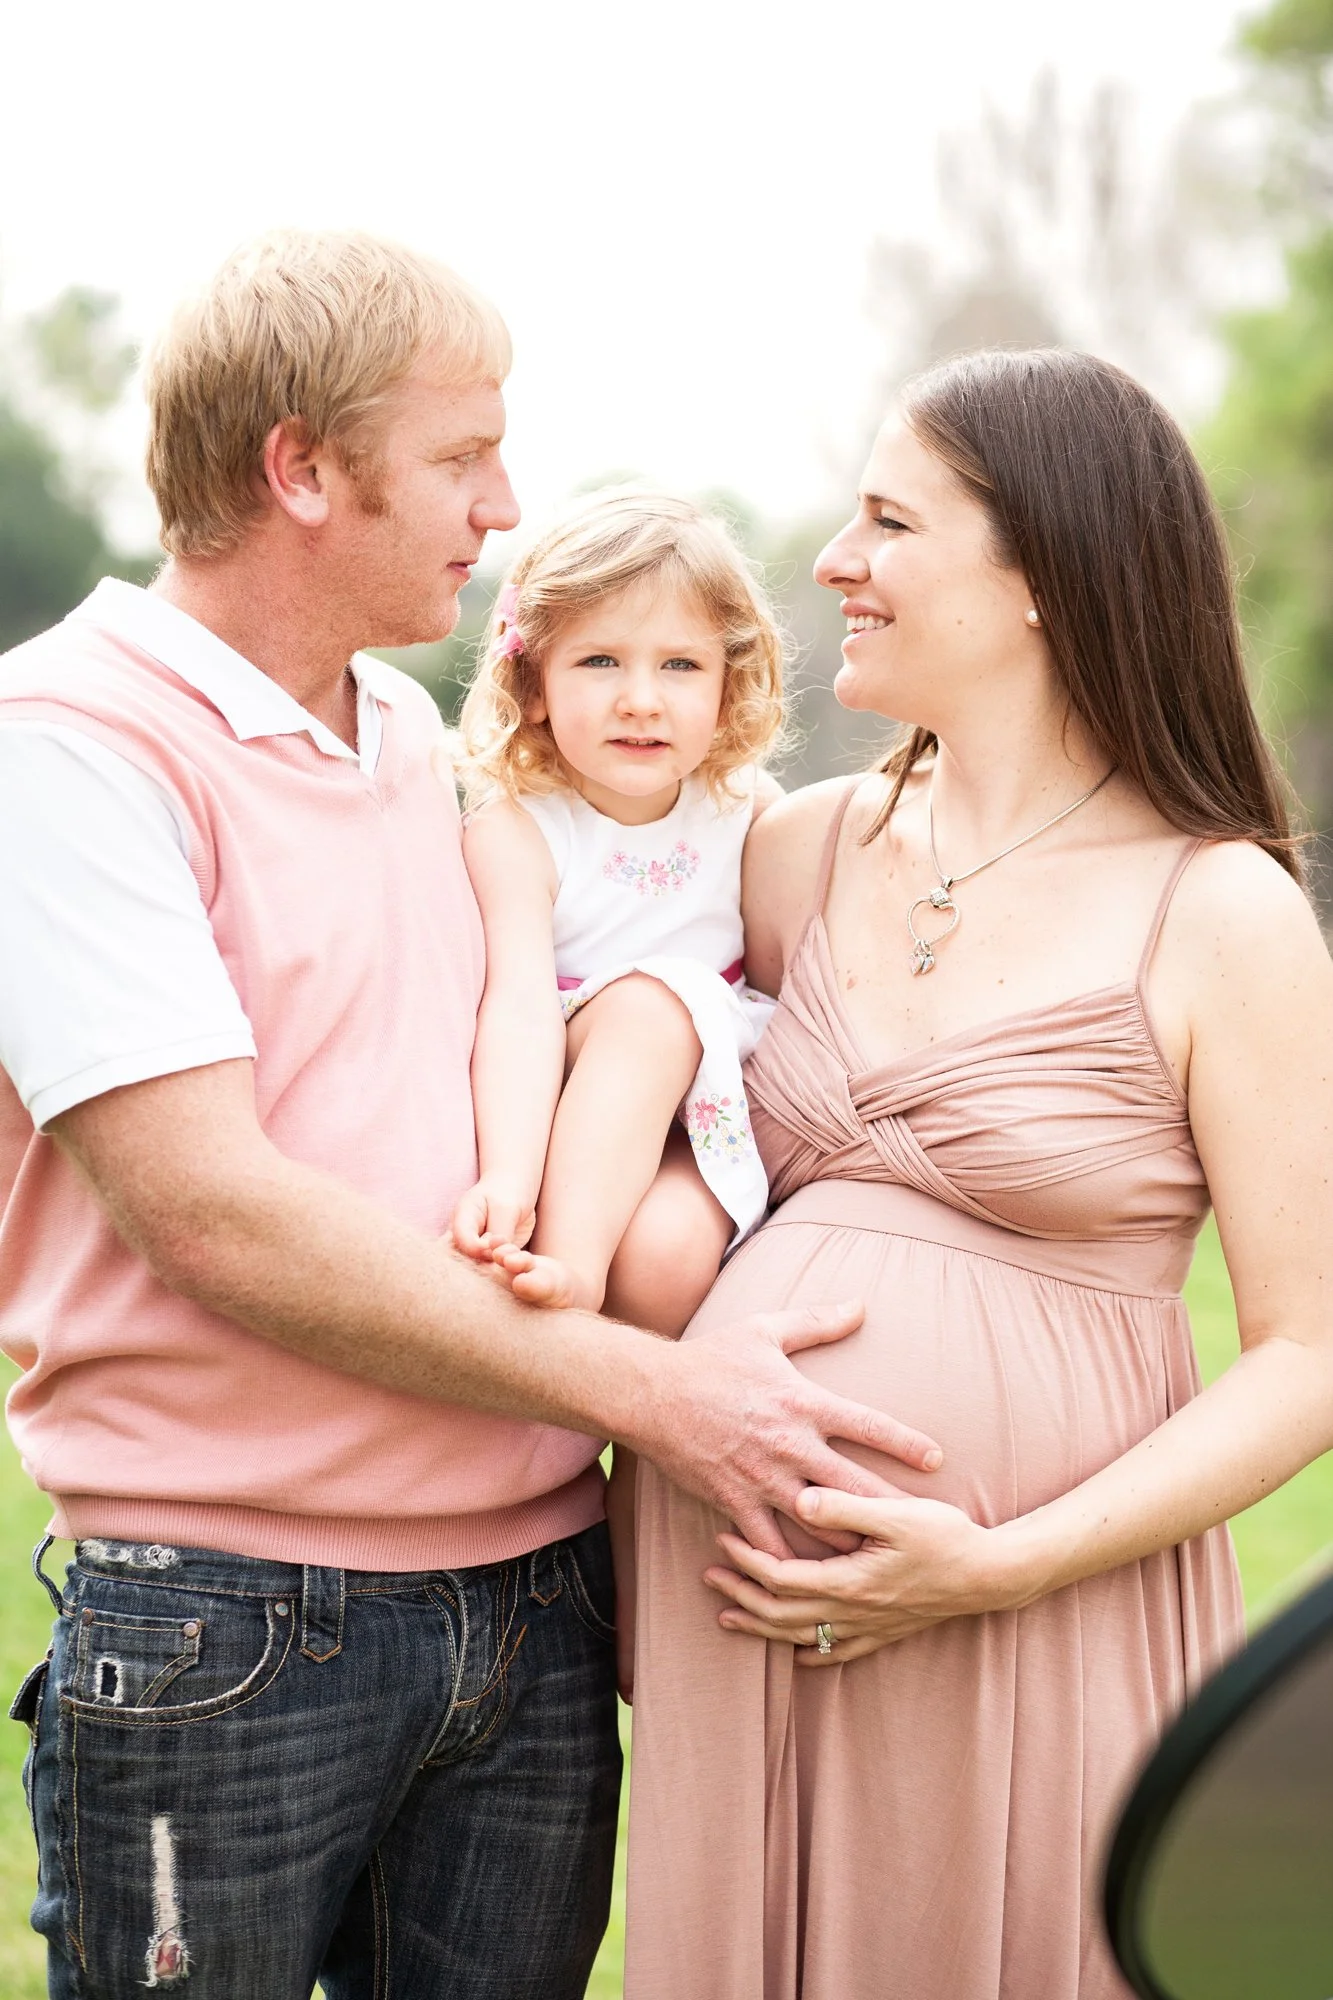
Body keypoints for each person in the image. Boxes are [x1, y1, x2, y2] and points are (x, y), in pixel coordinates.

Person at [0, 229, 943, 2000]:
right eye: (458, 459)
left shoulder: (405, 736)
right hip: (230, 1619)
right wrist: (667, 1397)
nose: (501, 507)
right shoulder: (65, 744)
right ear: (298, 468)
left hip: (530, 1599)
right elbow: (212, 1212)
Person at [625, 347, 1333, 2000]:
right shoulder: (793, 853)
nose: (830, 563)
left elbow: (1307, 1357)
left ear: (1038, 578)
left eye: (886, 521)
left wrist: (994, 1562)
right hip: (737, 1611)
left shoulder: (1215, 911)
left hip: (1030, 1610)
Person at [452, 487, 788, 1695]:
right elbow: (508, 1010)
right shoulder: (519, 829)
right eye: (599, 659)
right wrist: (506, 1174)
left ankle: (644, 1553)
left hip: (703, 1116)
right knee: (645, 1005)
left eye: (677, 663)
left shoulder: (751, 818)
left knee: (669, 1270)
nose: (640, 696)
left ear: (726, 686)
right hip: (582, 1091)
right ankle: (568, 1274)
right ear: (532, 679)